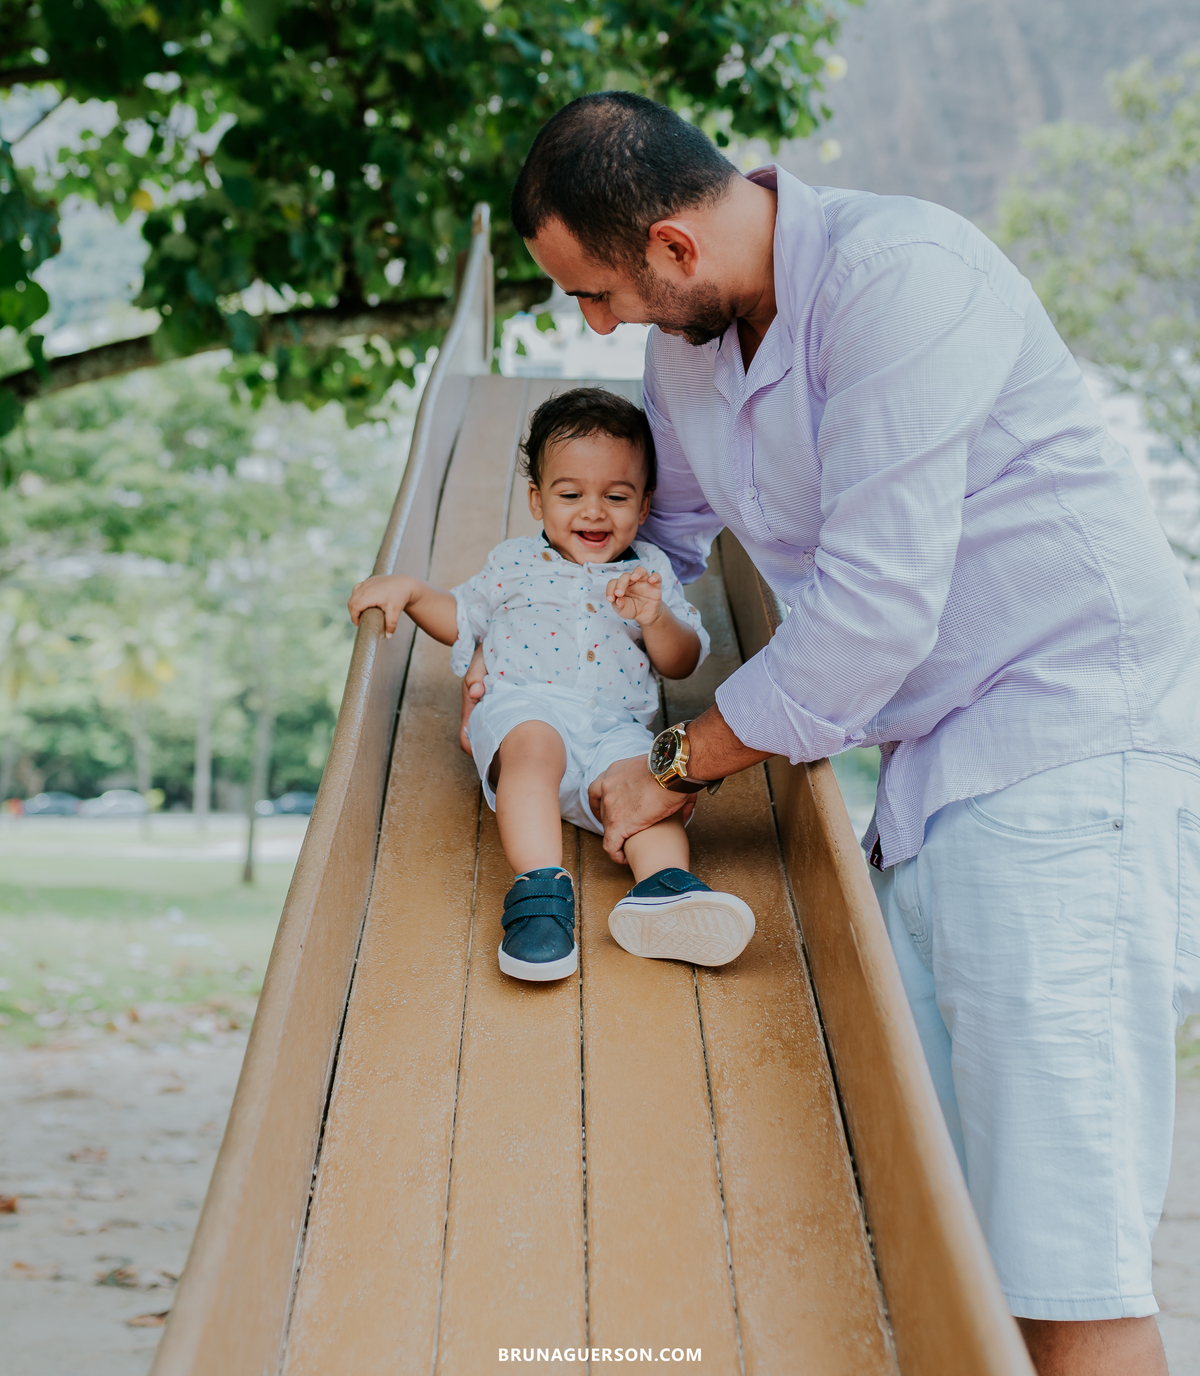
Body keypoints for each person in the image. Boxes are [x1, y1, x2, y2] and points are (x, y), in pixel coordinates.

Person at [492, 89, 1200, 1376]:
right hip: (928, 777)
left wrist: (670, 768)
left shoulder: (902, 279)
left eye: (595, 293)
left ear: (671, 247)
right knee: (942, 1247)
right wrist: (540, 634)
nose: (591, 328)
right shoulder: (691, 349)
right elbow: (672, 544)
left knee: (1059, 1263)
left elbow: (873, 613)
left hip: (1066, 752)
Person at [349, 386, 755, 983]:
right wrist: (411, 593)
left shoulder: (650, 573)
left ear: (644, 506)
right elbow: (462, 616)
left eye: (616, 496)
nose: (593, 512)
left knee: (651, 787)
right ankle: (541, 892)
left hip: (614, 730)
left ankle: (665, 890)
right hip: (525, 708)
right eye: (571, 495)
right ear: (538, 501)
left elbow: (683, 661)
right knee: (535, 747)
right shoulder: (514, 562)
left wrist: (654, 617)